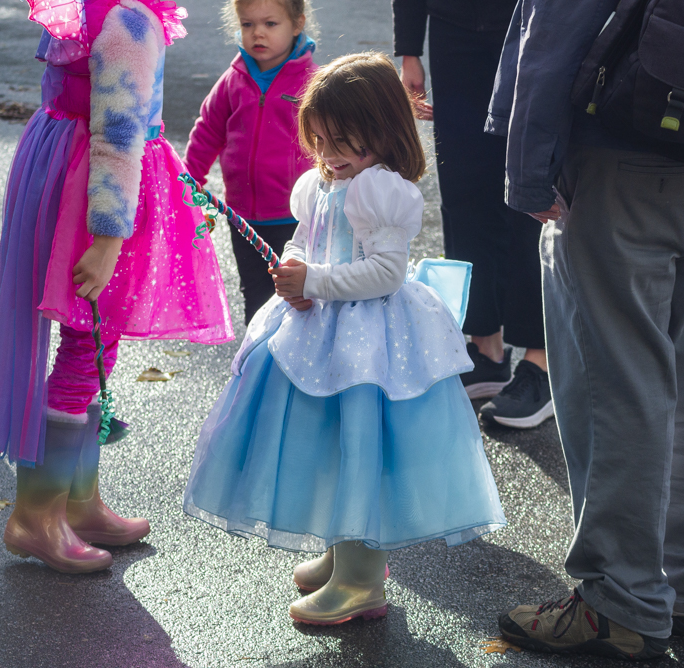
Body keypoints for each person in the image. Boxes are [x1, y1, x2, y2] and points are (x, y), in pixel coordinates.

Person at [182, 53, 505, 625]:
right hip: (322, 327)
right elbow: (307, 238)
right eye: (320, 141)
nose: (328, 155)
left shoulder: (382, 190)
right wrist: (294, 269)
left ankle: (361, 580)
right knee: (331, 441)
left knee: (363, 447)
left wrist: (317, 282)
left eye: (342, 143)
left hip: (370, 339)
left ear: (381, 135)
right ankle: (343, 551)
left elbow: (385, 272)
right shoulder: (321, 183)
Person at [488, 0, 684, 659]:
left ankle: (623, 601)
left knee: (617, 391)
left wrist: (526, 172)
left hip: (625, 165)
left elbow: (555, 28)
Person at [0, 0, 233, 574]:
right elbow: (119, 132)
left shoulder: (92, 11)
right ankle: (37, 516)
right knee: (88, 343)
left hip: (63, 170)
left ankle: (78, 500)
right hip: (98, 199)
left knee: (95, 345)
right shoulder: (129, 22)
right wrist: (107, 238)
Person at [392, 0, 552, 429]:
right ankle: (486, 347)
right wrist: (409, 48)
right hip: (453, 30)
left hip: (530, 30)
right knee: (464, 191)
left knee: (527, 194)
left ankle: (540, 362)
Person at [184, 0, 317, 325]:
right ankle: (254, 362)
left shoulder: (311, 81)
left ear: (297, 24)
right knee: (255, 297)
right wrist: (189, 182)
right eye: (247, 25)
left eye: (270, 24)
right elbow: (207, 132)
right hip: (242, 216)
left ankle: (293, 362)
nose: (258, 33)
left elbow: (330, 143)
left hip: (294, 219)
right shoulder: (234, 79)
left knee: (296, 298)